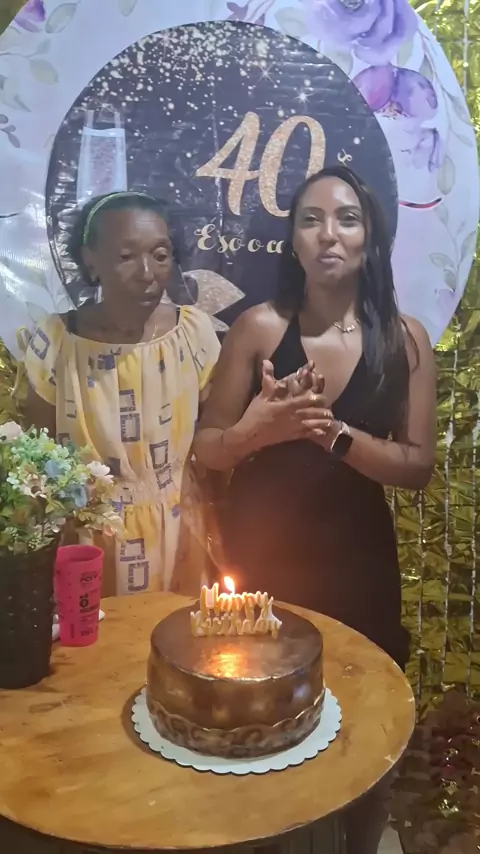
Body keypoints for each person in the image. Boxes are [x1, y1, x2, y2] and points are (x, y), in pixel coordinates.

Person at [193, 165, 436, 854]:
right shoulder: (258, 329)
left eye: (347, 218)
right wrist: (259, 431)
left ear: (370, 238)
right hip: (261, 566)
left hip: (357, 565)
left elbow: (417, 467)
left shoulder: (406, 340)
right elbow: (207, 449)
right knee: (251, 721)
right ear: (293, 242)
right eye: (311, 219)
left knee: (365, 726)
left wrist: (335, 434)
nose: (329, 234)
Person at [25, 191, 220, 596]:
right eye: (126, 256)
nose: (147, 273)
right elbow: (36, 454)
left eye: (160, 255)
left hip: (179, 528)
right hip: (89, 540)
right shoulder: (57, 342)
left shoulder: (192, 333)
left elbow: (213, 436)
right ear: (91, 260)